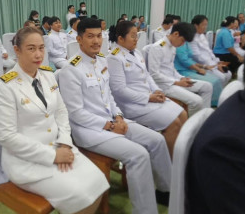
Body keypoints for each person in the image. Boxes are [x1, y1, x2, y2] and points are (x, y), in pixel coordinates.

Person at [0, 26, 109, 214]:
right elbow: (6, 137)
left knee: (98, 180)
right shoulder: (4, 87)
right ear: (17, 50)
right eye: (31, 48)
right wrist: (52, 156)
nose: (38, 54)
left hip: (60, 148)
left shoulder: (48, 75)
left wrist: (65, 144)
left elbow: (61, 112)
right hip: (27, 161)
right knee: (81, 195)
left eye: (41, 48)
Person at [59, 18, 172, 214]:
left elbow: (109, 95)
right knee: (139, 155)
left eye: (98, 36)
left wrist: (118, 116)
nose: (96, 41)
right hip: (89, 130)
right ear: (79, 39)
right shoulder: (71, 70)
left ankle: (165, 190)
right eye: (90, 37)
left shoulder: (101, 60)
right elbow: (76, 114)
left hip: (112, 120)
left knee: (157, 140)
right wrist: (110, 125)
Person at [186, 34, 245, 214]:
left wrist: (210, 65)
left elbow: (205, 55)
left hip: (197, 68)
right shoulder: (229, 145)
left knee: (217, 77)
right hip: (178, 76)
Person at [107, 21, 187, 157]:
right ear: (120, 38)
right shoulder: (114, 58)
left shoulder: (136, 52)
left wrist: (156, 90)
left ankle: (180, 155)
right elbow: (120, 91)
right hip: (132, 105)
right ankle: (172, 163)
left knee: (183, 114)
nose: (136, 39)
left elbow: (147, 75)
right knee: (174, 122)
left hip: (149, 97)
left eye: (136, 36)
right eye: (132, 36)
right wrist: (149, 97)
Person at [148, 22, 213, 116]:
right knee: (197, 101)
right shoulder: (158, 47)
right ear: (175, 34)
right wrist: (177, 82)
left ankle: (204, 117)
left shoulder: (172, 46)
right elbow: (154, 75)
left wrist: (181, 78)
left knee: (207, 86)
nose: (182, 44)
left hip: (175, 81)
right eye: (182, 40)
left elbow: (171, 69)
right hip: (164, 85)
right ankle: (193, 126)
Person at [175, 39, 223, 107]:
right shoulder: (179, 44)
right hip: (182, 71)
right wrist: (199, 69)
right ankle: (213, 104)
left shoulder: (186, 42)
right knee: (213, 81)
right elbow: (185, 61)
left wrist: (203, 66)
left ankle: (215, 103)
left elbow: (190, 60)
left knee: (216, 79)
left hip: (190, 68)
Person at [189, 15, 232, 87]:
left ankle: (220, 92)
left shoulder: (202, 35)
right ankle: (216, 95)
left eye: (206, 25)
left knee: (228, 74)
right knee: (221, 77)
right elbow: (197, 57)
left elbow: (209, 50)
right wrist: (214, 66)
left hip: (212, 63)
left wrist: (217, 61)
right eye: (203, 25)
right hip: (203, 65)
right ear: (196, 25)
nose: (205, 27)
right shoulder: (191, 38)